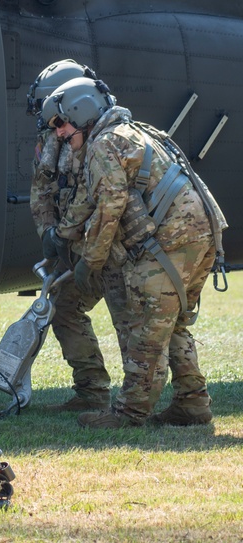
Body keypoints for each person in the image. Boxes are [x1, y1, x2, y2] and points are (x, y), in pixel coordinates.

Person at [41, 77, 227, 428]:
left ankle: (129, 412)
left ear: (82, 112)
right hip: (199, 236)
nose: (61, 135)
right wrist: (63, 232)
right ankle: (192, 403)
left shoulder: (104, 144)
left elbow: (108, 206)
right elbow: (93, 196)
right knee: (172, 325)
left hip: (170, 243)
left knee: (146, 327)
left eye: (62, 124)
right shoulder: (130, 133)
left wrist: (90, 261)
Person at [26, 60, 115, 412]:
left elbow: (104, 200)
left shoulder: (106, 138)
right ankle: (92, 392)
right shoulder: (51, 141)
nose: (53, 126)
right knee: (63, 308)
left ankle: (165, 397)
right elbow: (41, 190)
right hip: (77, 244)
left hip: (112, 245)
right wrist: (48, 232)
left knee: (142, 320)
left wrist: (67, 233)